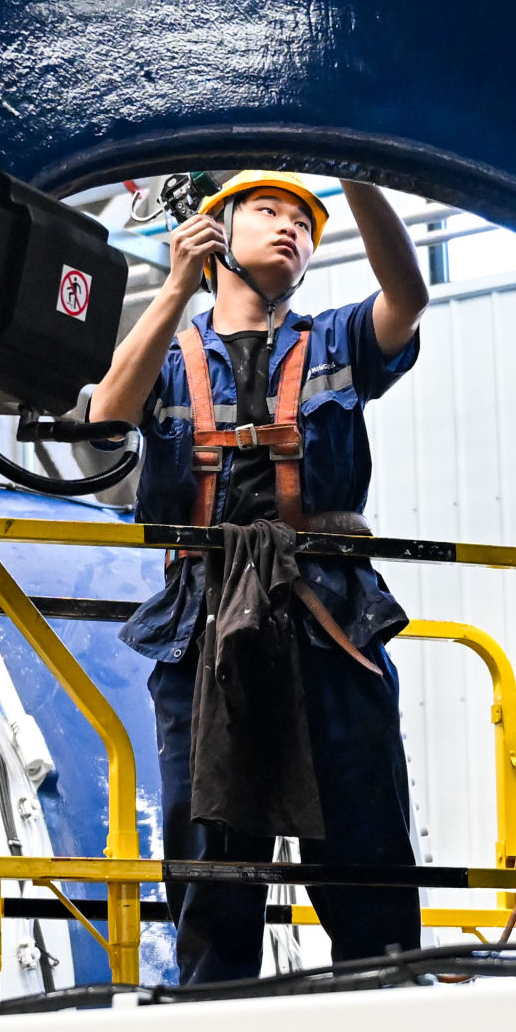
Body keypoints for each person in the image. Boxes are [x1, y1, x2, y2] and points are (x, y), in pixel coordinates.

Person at [88, 172, 431, 986]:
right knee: (212, 862)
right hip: (201, 628)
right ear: (213, 240)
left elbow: (407, 295)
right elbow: (105, 418)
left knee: (364, 850)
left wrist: (350, 167)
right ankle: (215, 1029)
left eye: (306, 223)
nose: (292, 229)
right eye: (268, 213)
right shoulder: (169, 357)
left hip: (328, 619)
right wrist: (172, 288)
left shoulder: (339, 340)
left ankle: (388, 1010)